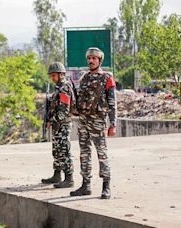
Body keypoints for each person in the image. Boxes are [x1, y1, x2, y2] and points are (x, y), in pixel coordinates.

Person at [70, 47, 117, 199]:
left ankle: (106, 186)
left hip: (98, 120)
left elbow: (112, 102)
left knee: (101, 152)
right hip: (83, 120)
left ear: (99, 60)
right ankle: (86, 185)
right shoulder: (84, 78)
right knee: (84, 153)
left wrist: (113, 123)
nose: (90, 60)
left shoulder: (107, 77)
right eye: (89, 58)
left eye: (94, 58)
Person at [41, 62, 75, 188]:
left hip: (63, 125)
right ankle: (57, 175)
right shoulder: (58, 88)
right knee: (56, 151)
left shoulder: (65, 88)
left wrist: (52, 120)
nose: (52, 78)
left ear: (61, 74)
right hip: (57, 125)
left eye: (54, 75)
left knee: (64, 150)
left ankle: (69, 178)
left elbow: (64, 112)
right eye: (51, 76)